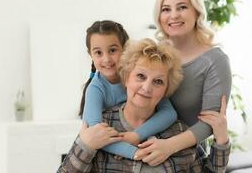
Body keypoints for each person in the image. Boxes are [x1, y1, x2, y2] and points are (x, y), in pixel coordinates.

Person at [57, 38, 230, 173]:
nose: (146, 88)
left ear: (166, 90)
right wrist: (85, 145)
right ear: (126, 78)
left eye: (158, 81)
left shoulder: (178, 131)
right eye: (140, 76)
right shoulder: (101, 126)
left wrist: (221, 141)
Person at [134, 0, 232, 166]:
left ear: (196, 11)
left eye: (182, 7)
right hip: (144, 146)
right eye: (166, 9)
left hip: (185, 157)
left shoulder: (215, 61)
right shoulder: (154, 52)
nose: (173, 16)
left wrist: (168, 146)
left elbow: (210, 122)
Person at [79, 20, 179, 159]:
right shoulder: (95, 89)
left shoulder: (142, 78)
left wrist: (136, 135)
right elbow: (95, 135)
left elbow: (169, 113)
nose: (106, 59)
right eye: (98, 53)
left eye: (112, 50)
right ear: (90, 54)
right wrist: (135, 153)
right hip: (114, 150)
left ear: (125, 48)